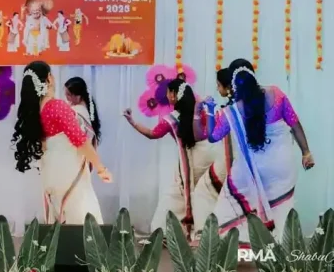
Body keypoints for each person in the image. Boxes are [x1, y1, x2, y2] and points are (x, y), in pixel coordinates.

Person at [196, 64, 314, 244]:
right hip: (281, 165)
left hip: (250, 171)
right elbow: (294, 124)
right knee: (281, 209)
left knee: (230, 203)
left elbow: (213, 136)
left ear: (233, 86)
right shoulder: (277, 94)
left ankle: (240, 243)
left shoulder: (232, 111)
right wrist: (306, 152)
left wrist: (210, 111)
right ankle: (281, 247)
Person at [12, 61, 111, 225]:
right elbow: (80, 141)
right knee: (81, 218)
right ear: (49, 78)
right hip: (68, 172)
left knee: (59, 218)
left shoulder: (36, 111)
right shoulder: (56, 107)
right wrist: (101, 169)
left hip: (51, 173)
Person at [123, 79, 215, 238]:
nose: (166, 96)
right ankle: (203, 232)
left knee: (177, 195)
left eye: (168, 92)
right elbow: (209, 133)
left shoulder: (171, 119)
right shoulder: (200, 112)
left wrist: (132, 122)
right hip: (206, 159)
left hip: (187, 164)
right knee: (204, 194)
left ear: (173, 95)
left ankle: (166, 230)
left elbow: (152, 134)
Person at [189, 68, 234, 238]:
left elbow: (211, 135)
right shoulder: (246, 106)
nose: (217, 88)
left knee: (203, 191)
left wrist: (208, 111)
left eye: (218, 85)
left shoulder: (227, 112)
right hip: (247, 163)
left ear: (227, 87)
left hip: (229, 162)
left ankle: (205, 235)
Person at [64, 77, 101, 150]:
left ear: (78, 95)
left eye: (68, 94)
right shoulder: (86, 107)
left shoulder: (77, 112)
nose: (67, 98)